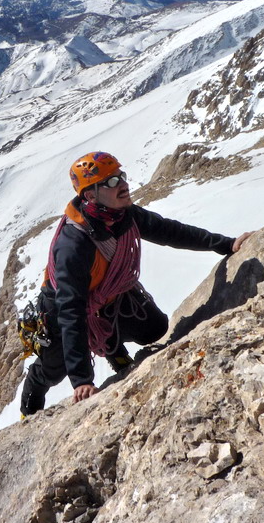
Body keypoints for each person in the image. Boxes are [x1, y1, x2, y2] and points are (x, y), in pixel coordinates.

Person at [20, 151, 252, 416]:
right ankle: (30, 401)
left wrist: (225, 244)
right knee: (53, 370)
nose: (122, 184)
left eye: (121, 176)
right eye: (110, 182)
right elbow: (71, 310)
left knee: (154, 328)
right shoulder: (73, 245)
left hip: (108, 294)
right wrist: (82, 380)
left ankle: (112, 346)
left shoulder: (123, 215)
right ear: (90, 196)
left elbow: (169, 231)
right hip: (61, 308)